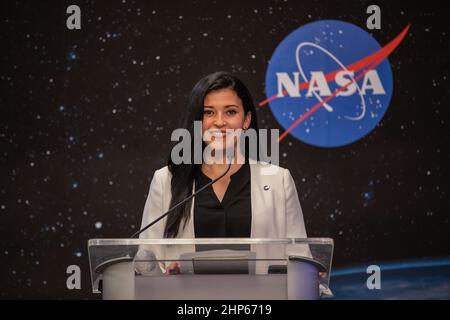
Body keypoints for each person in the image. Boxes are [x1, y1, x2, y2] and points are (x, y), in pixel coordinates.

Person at [135, 71, 308, 275]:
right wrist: (166, 276)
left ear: (246, 120)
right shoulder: (166, 181)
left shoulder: (279, 180)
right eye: (209, 112)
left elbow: (300, 260)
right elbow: (145, 262)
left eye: (230, 112)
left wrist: (308, 273)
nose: (219, 122)